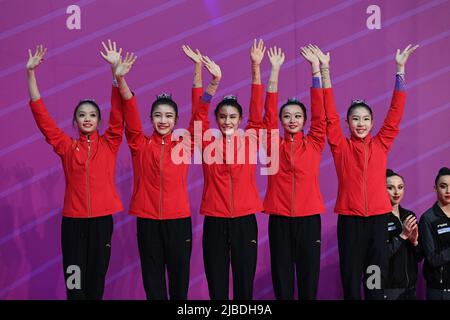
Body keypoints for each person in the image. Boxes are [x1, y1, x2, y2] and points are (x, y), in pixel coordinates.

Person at [313, 43, 419, 299]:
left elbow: (395, 114)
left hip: (377, 222)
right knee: (350, 280)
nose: (360, 124)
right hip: (350, 222)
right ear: (347, 122)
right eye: (355, 119)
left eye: (365, 119)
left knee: (374, 282)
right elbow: (328, 115)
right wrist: (324, 71)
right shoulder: (340, 145)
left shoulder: (381, 143)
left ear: (372, 122)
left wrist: (400, 70)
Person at [115, 45, 221, 300]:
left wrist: (211, 81)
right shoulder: (139, 144)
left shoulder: (185, 143)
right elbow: (129, 111)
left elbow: (199, 115)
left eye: (169, 116)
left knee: (179, 284)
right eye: (158, 115)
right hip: (148, 222)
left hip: (178, 223)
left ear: (175, 121)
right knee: (153, 284)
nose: (163, 120)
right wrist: (120, 79)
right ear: (151, 119)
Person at [26, 40, 125, 299]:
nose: (88, 118)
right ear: (75, 121)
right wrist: (31, 73)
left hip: (102, 222)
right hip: (73, 224)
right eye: (82, 115)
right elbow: (43, 119)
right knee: (75, 282)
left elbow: (118, 113)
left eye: (92, 114)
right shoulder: (67, 147)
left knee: (96, 280)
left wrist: (115, 74)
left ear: (98, 120)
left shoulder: (110, 143)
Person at [195, 39, 265, 300]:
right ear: (217, 119)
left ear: (240, 119)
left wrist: (255, 66)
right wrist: (213, 83)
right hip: (214, 220)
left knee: (244, 287)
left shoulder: (251, 139)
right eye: (222, 116)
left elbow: (257, 112)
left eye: (232, 116)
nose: (227, 121)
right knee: (217, 286)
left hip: (245, 221)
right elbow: (198, 116)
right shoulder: (207, 142)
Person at [262, 45, 325, 300]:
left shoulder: (314, 142)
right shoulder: (271, 143)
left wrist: (315, 70)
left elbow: (321, 115)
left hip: (309, 220)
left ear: (304, 120)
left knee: (309, 280)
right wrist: (275, 71)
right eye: (286, 116)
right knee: (282, 278)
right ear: (280, 120)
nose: (292, 120)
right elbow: (266, 114)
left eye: (298, 116)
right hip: (279, 219)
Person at [384, 169, 422, 300]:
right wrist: (402, 236)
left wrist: (415, 242)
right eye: (390, 188)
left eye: (400, 187)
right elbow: (378, 257)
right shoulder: (377, 220)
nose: (396, 192)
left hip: (410, 288)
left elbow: (419, 257)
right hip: (388, 289)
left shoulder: (409, 216)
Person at [419, 167, 450, 300]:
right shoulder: (428, 218)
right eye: (443, 186)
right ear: (435, 188)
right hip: (440, 290)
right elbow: (432, 259)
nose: (448, 191)